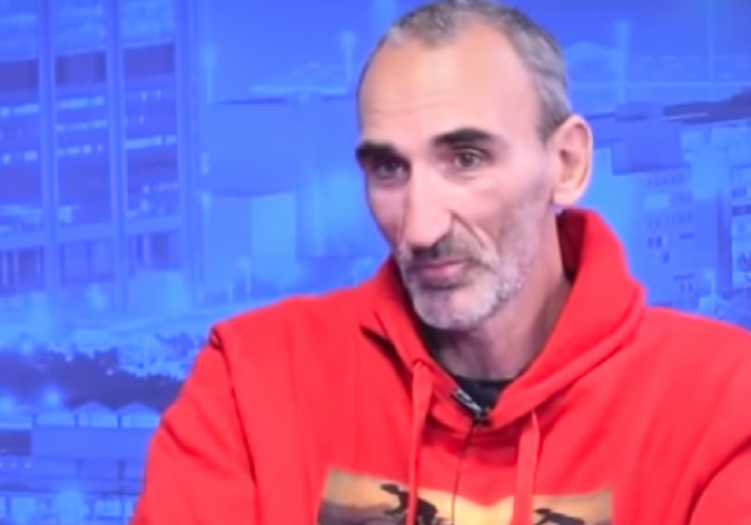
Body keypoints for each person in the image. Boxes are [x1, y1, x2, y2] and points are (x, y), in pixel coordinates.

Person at [131, 1, 751, 524]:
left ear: (567, 164)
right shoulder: (252, 380)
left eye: (467, 159)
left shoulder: (724, 401)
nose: (421, 228)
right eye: (388, 168)